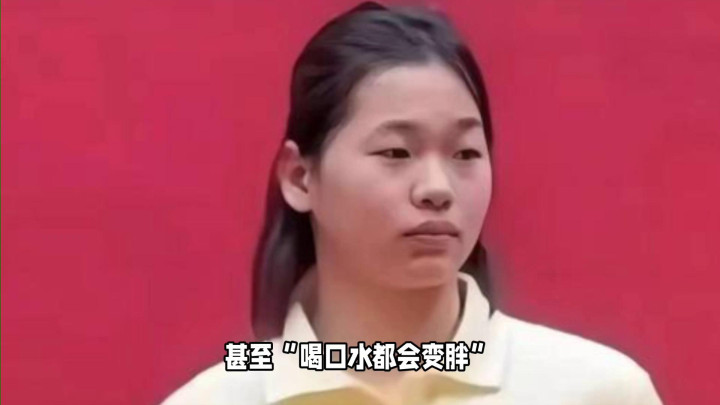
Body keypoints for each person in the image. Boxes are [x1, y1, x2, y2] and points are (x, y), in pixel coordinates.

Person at [161, 2, 664, 404]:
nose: (437, 188)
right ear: (299, 177)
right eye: (396, 152)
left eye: (465, 153)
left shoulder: (595, 390)